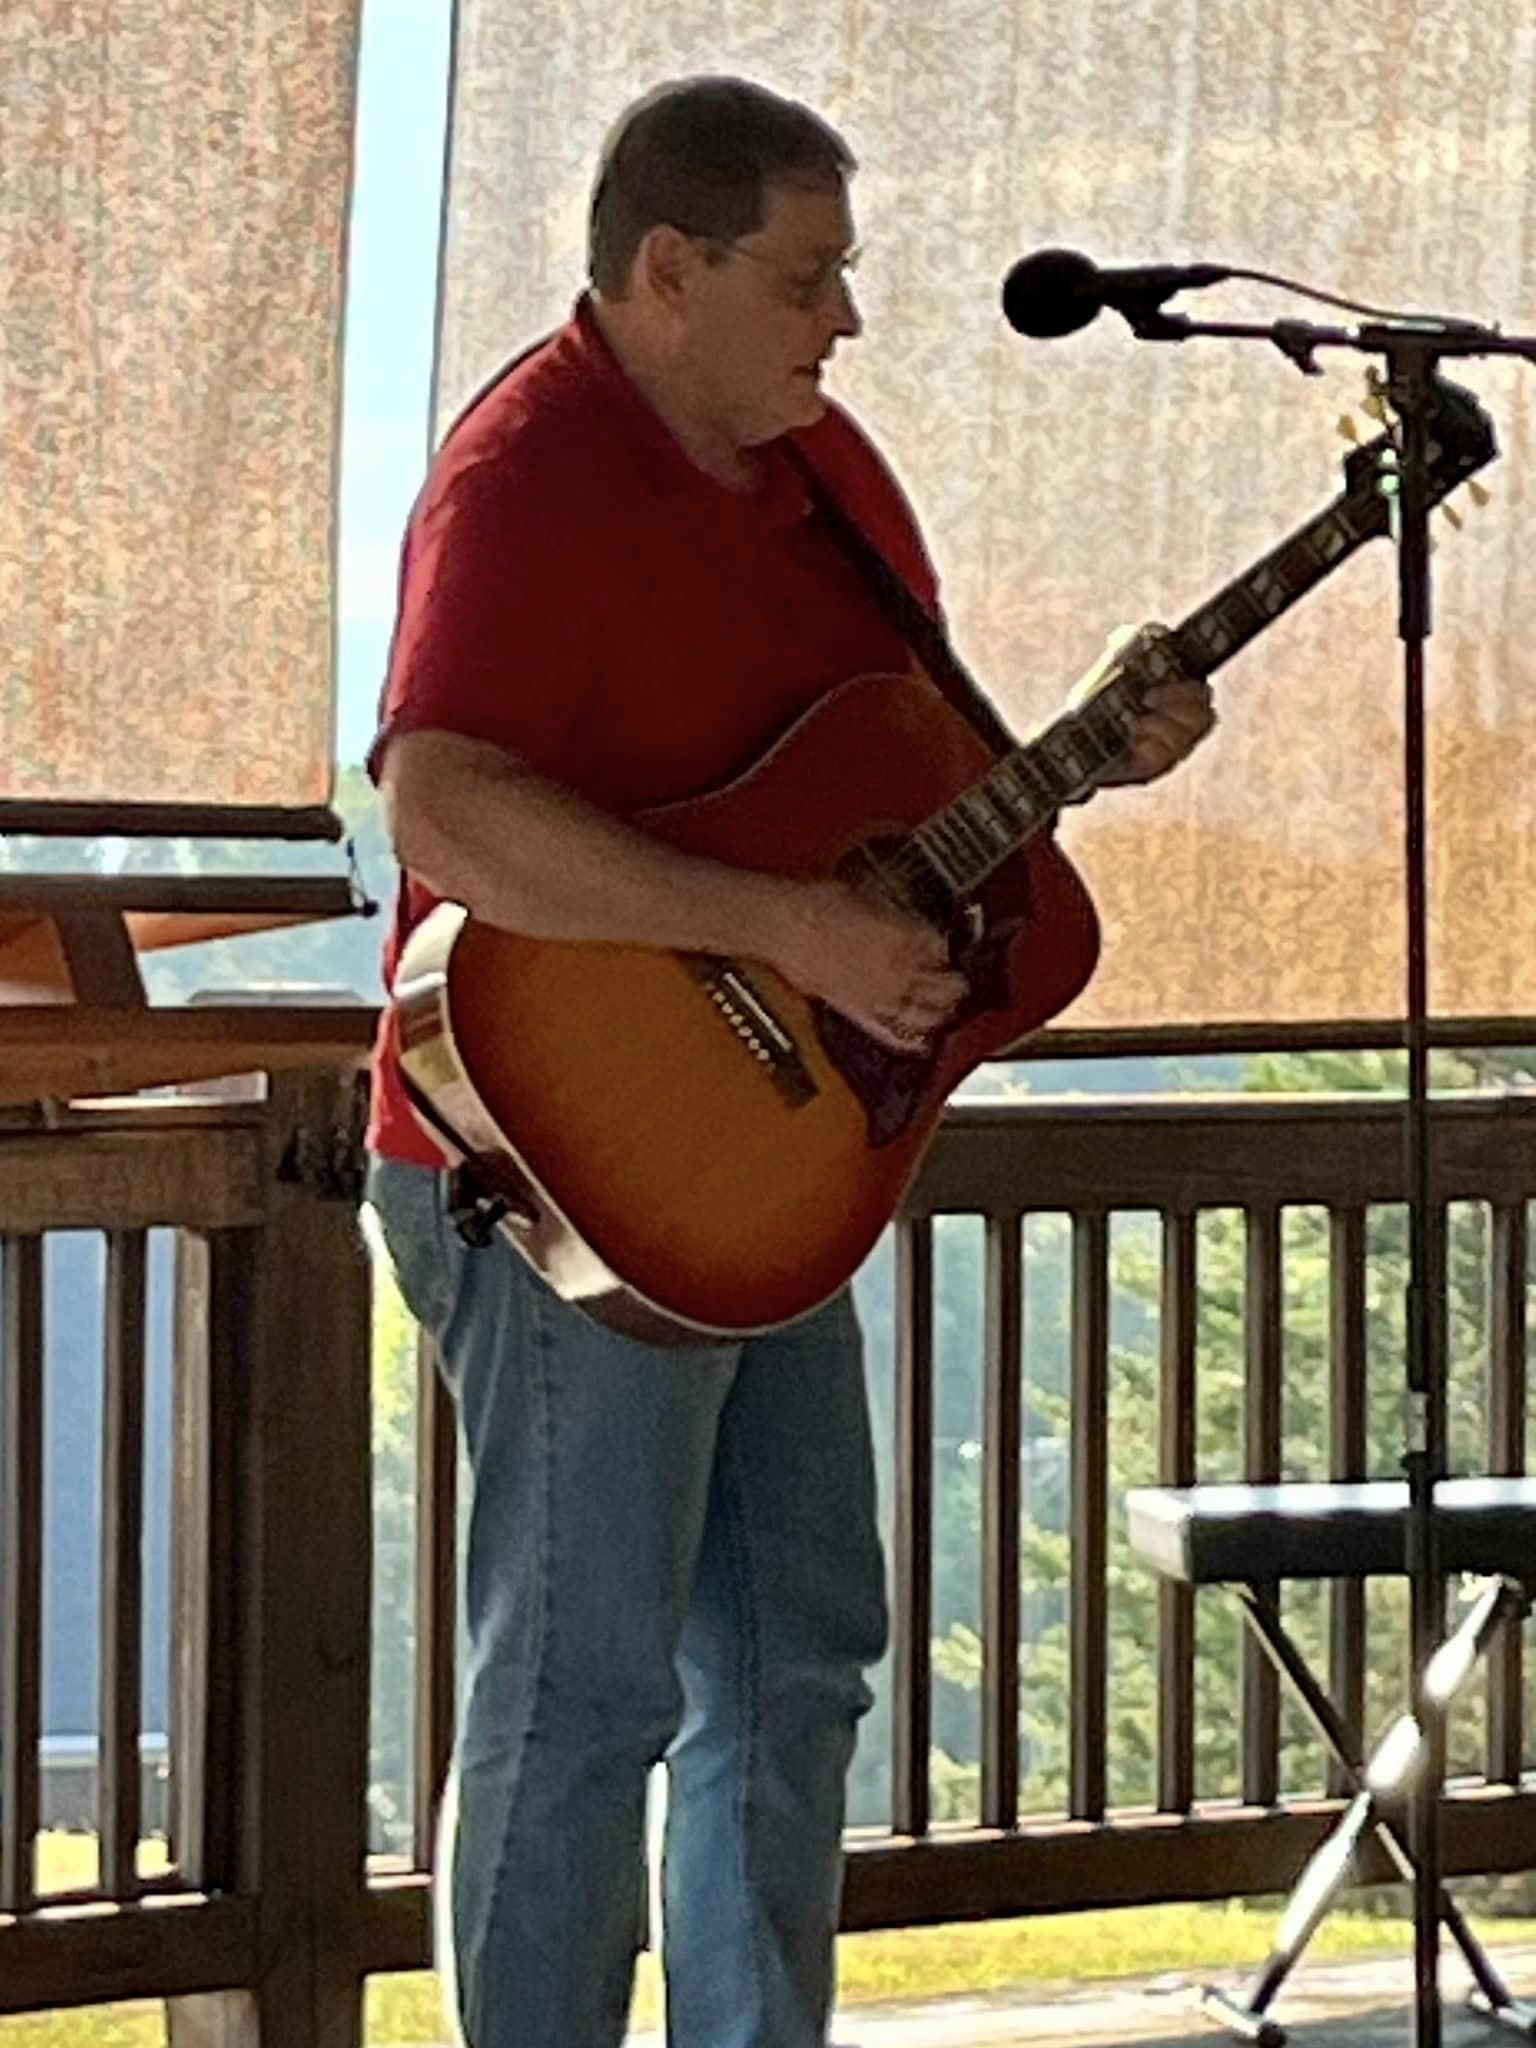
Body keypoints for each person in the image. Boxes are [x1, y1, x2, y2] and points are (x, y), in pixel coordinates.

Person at [364, 74, 1215, 2048]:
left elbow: (903, 783)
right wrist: (776, 926)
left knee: (799, 1662)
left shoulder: (832, 481)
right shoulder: (527, 477)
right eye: (807, 277)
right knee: (587, 1690)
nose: (847, 319)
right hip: (552, 1154)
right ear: (671, 270)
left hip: (765, 1160)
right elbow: (442, 807)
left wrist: (1086, 753)